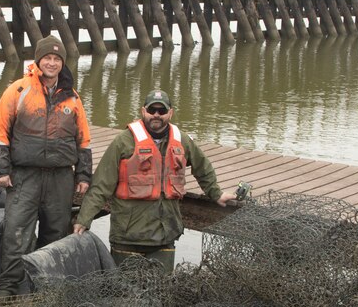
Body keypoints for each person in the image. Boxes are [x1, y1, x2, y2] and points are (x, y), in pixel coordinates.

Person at [73, 89, 236, 272]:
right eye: (152, 111)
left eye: (162, 111)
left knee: (160, 292)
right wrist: (84, 219)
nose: (156, 115)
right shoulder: (123, 142)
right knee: (124, 293)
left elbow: (203, 168)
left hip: (165, 236)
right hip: (128, 237)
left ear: (170, 113)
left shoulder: (182, 140)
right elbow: (101, 186)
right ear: (143, 111)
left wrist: (217, 194)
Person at [0, 35, 92, 297]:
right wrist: (1, 170)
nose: (52, 63)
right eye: (48, 58)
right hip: (25, 176)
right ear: (38, 60)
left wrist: (83, 174)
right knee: (16, 233)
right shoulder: (18, 90)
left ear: (62, 63)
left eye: (57, 59)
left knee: (55, 235)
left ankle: (47, 290)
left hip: (61, 178)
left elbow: (84, 139)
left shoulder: (72, 97)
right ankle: (8, 287)